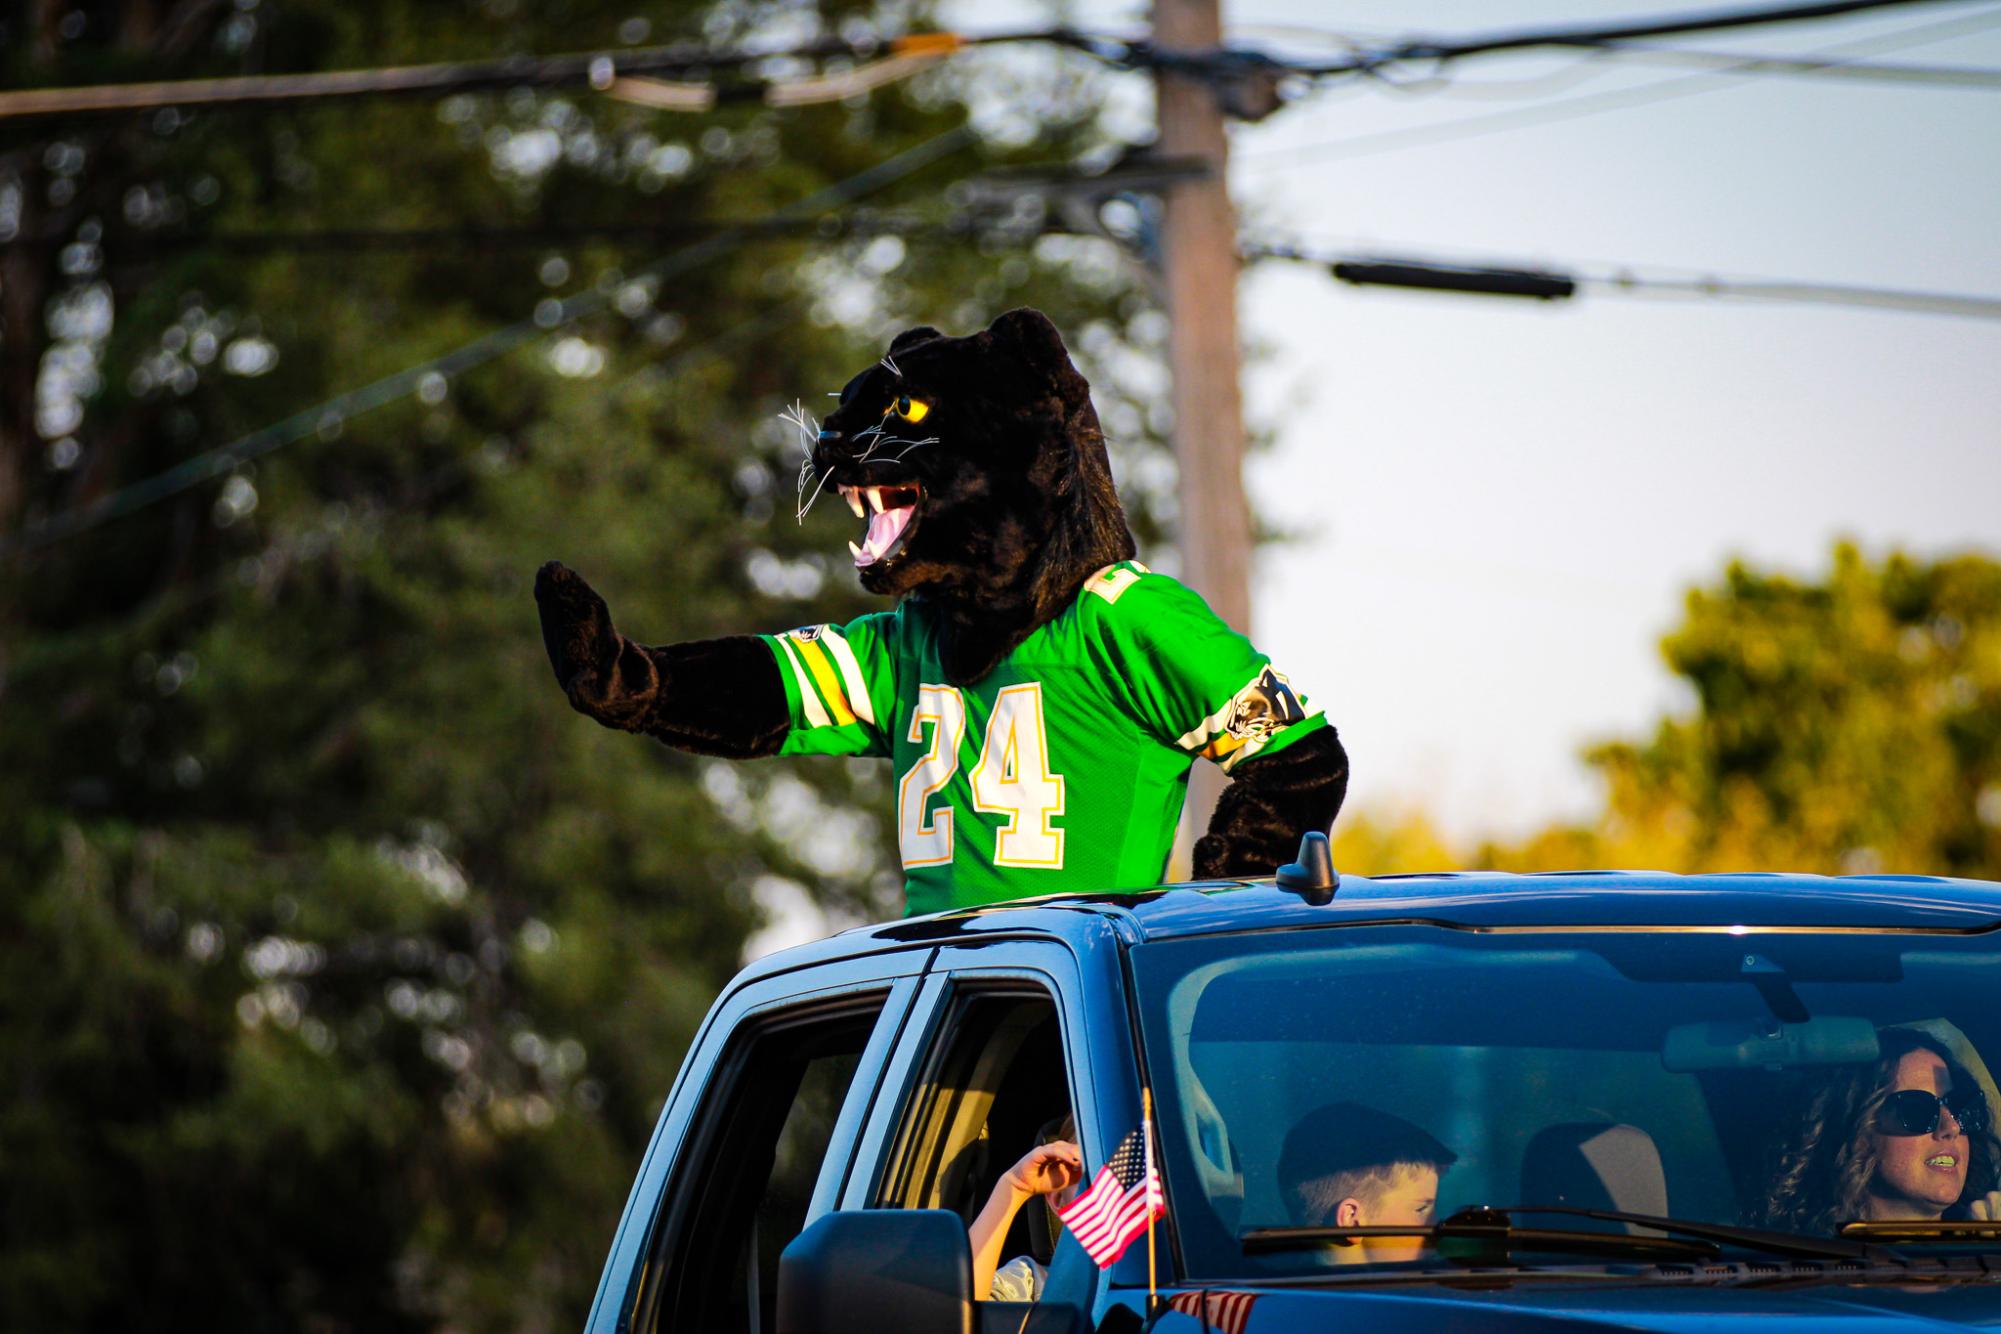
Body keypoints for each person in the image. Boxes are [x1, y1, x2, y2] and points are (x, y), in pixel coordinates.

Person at [1761, 1028, 2001, 1234]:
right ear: (1857, 1132)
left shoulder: (1986, 1236)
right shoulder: (1803, 1268)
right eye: (1916, 1110)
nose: (1952, 1126)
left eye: (1960, 1106)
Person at [1276, 1101, 1458, 1264]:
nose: (1437, 1225)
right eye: (1420, 1210)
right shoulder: (1414, 1299)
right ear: (1351, 1220)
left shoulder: (1278, 1290)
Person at [968, 1118, 1082, 1302]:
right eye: (1089, 1171)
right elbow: (956, 1312)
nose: (1114, 1187)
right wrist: (1014, 1186)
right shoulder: (1032, 1285)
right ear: (1058, 1198)